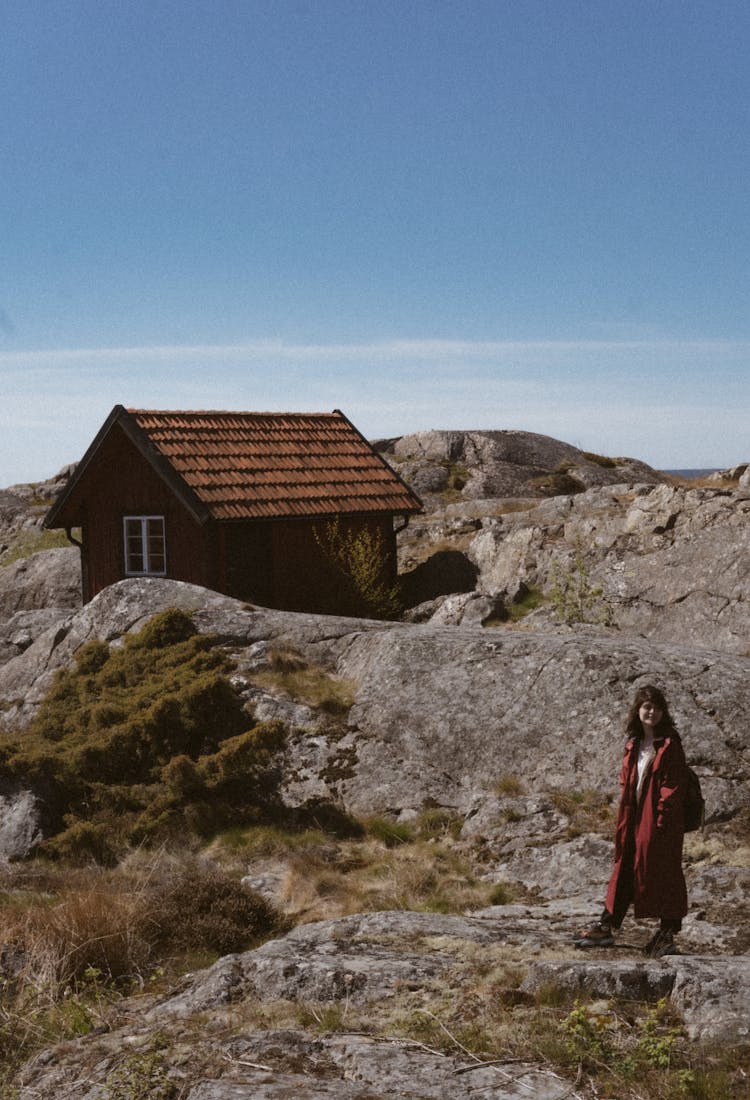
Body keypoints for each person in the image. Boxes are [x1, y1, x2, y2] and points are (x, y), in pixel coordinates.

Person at [574, 684, 688, 958]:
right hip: (634, 816)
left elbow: (672, 787)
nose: (652, 712)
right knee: (625, 865)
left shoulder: (670, 744)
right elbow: (627, 781)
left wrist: (660, 820)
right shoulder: (634, 743)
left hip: (660, 820)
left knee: (665, 871)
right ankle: (607, 924)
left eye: (657, 708)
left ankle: (667, 932)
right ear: (638, 710)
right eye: (647, 707)